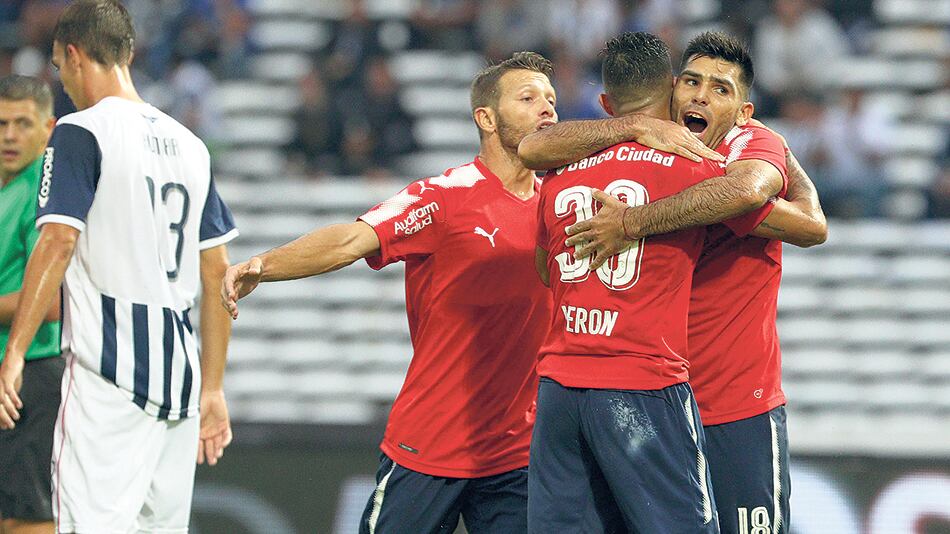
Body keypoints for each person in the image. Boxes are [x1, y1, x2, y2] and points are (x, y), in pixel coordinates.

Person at [221, 50, 716, 534]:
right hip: (430, 445)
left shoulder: (566, 196)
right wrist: (264, 266)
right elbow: (352, 239)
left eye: (550, 99)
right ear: (486, 117)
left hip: (518, 455)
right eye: (527, 98)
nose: (546, 108)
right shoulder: (446, 197)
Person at [520, 31, 828, 534]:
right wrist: (636, 127)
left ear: (743, 111)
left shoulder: (744, 149)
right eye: (692, 81)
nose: (702, 96)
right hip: (657, 398)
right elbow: (534, 145)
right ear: (670, 90)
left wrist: (633, 221)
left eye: (721, 89)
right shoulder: (661, 155)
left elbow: (809, 225)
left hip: (732, 404)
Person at [0, 2, 237, 532]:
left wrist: (14, 354)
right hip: (178, 382)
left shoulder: (83, 131)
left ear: (74, 56)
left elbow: (58, 240)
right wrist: (214, 388)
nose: (63, 82)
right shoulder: (190, 145)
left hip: (108, 378)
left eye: (60, 69)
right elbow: (219, 270)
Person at [0, 75, 59, 534]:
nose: (10, 135)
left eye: (23, 123)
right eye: (2, 123)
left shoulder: (46, 193)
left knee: (29, 516)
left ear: (48, 129)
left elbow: (54, 300)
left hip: (32, 373)